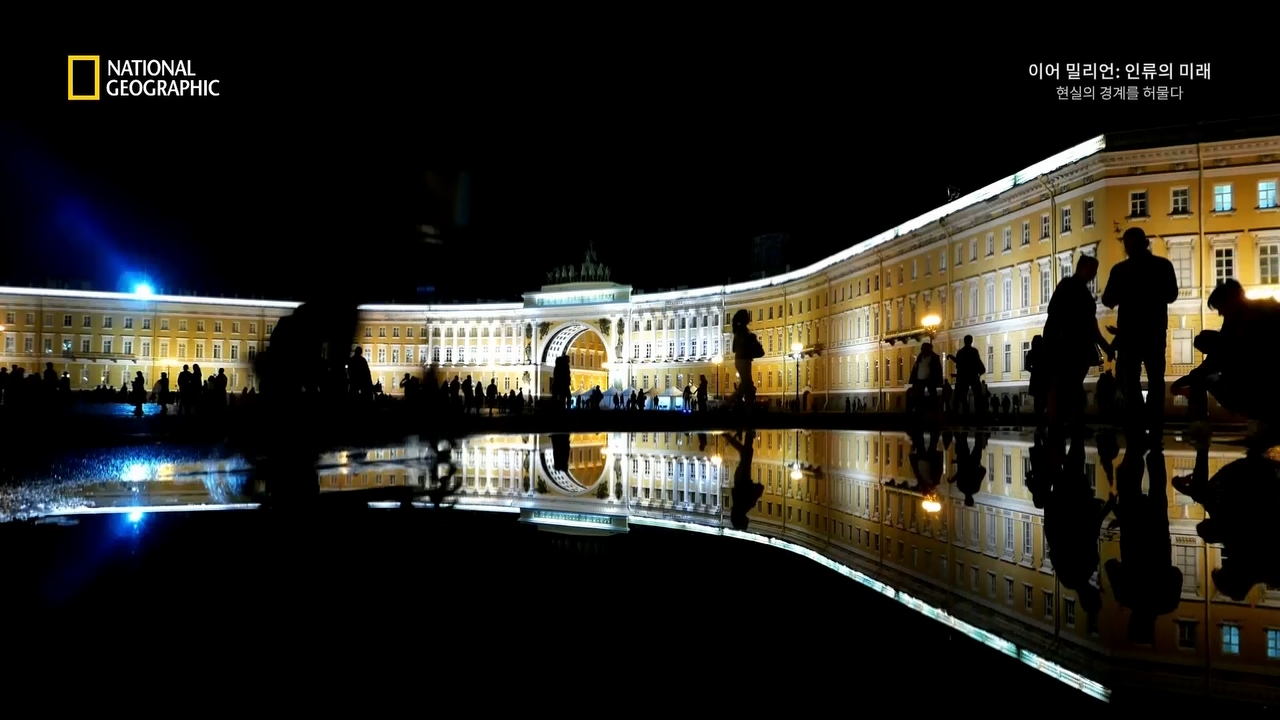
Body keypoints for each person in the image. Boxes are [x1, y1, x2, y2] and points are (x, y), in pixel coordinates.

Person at [1100, 227, 1179, 436]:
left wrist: (1125, 294)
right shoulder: (1163, 266)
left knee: (1131, 379)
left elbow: (1107, 300)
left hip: (1129, 333)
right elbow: (1172, 295)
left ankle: (1136, 420)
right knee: (1156, 378)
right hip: (1154, 330)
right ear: (1146, 243)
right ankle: (1154, 421)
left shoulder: (1120, 270)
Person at [1043, 255, 1112, 428]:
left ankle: (1061, 425)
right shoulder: (1072, 288)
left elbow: (1090, 325)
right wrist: (1104, 346)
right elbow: (1057, 314)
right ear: (1082, 267)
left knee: (1065, 386)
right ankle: (1065, 425)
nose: (1094, 275)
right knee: (1066, 386)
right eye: (1092, 270)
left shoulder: (1073, 288)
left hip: (1071, 346)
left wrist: (1105, 346)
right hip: (1068, 346)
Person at [730, 309, 764, 409]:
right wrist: (750, 340)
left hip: (742, 360)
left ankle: (745, 406)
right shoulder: (742, 331)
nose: (749, 317)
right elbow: (738, 347)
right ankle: (730, 403)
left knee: (746, 385)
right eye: (747, 316)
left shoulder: (739, 330)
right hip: (743, 360)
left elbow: (734, 348)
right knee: (747, 386)